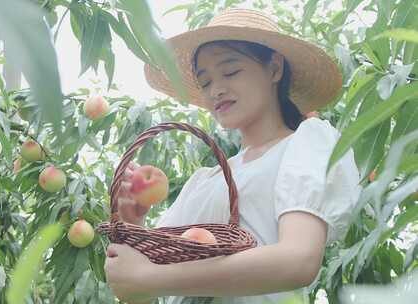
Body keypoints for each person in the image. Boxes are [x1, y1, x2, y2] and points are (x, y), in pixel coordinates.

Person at [104, 7, 363, 304]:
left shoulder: (306, 143)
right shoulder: (206, 180)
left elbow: (299, 260)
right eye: (206, 82)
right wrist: (134, 226)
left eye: (230, 71)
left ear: (274, 69)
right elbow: (144, 292)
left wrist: (150, 279)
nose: (216, 90)